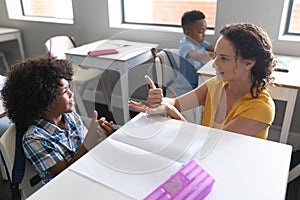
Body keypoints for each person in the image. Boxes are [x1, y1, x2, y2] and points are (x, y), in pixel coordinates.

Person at [129, 23, 277, 139]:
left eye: (224, 58)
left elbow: (209, 145)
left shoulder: (260, 108)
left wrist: (170, 111)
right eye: (216, 55)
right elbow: (177, 103)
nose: (214, 64)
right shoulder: (216, 85)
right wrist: (161, 101)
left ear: (248, 63)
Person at [1, 55, 115, 184]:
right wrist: (90, 141)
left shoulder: (70, 117)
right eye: (65, 91)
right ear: (45, 100)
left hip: (88, 174)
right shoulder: (34, 139)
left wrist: (101, 135)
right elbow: (65, 176)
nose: (71, 94)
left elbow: (85, 148)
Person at [175, 10, 215, 96]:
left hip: (197, 82)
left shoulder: (199, 41)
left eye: (205, 31)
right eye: (200, 32)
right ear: (187, 32)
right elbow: (198, 57)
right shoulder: (185, 45)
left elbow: (212, 47)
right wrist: (214, 55)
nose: (204, 35)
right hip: (186, 88)